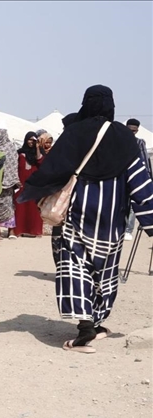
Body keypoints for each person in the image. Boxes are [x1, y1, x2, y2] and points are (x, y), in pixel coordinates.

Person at [18, 85, 153, 353]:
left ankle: (85, 330)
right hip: (111, 221)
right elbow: (141, 184)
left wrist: (34, 194)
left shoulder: (74, 134)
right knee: (104, 271)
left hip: (77, 217)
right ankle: (98, 322)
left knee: (76, 267)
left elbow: (51, 171)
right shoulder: (126, 140)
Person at [0, 127, 20, 240]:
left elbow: (13, 163)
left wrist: (11, 178)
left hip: (8, 181)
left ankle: (11, 231)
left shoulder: (10, 146)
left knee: (8, 205)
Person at [124, 118, 152, 241]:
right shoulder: (119, 142)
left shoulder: (140, 143)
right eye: (130, 130)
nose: (132, 133)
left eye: (134, 131)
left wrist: (148, 178)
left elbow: (145, 161)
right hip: (122, 177)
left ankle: (128, 230)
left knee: (132, 205)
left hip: (136, 177)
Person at [14, 131, 45, 237]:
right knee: (21, 207)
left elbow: (40, 162)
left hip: (34, 184)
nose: (31, 142)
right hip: (22, 183)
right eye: (29, 139)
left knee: (33, 207)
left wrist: (37, 147)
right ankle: (20, 230)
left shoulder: (39, 153)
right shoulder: (20, 153)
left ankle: (34, 230)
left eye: (33, 140)